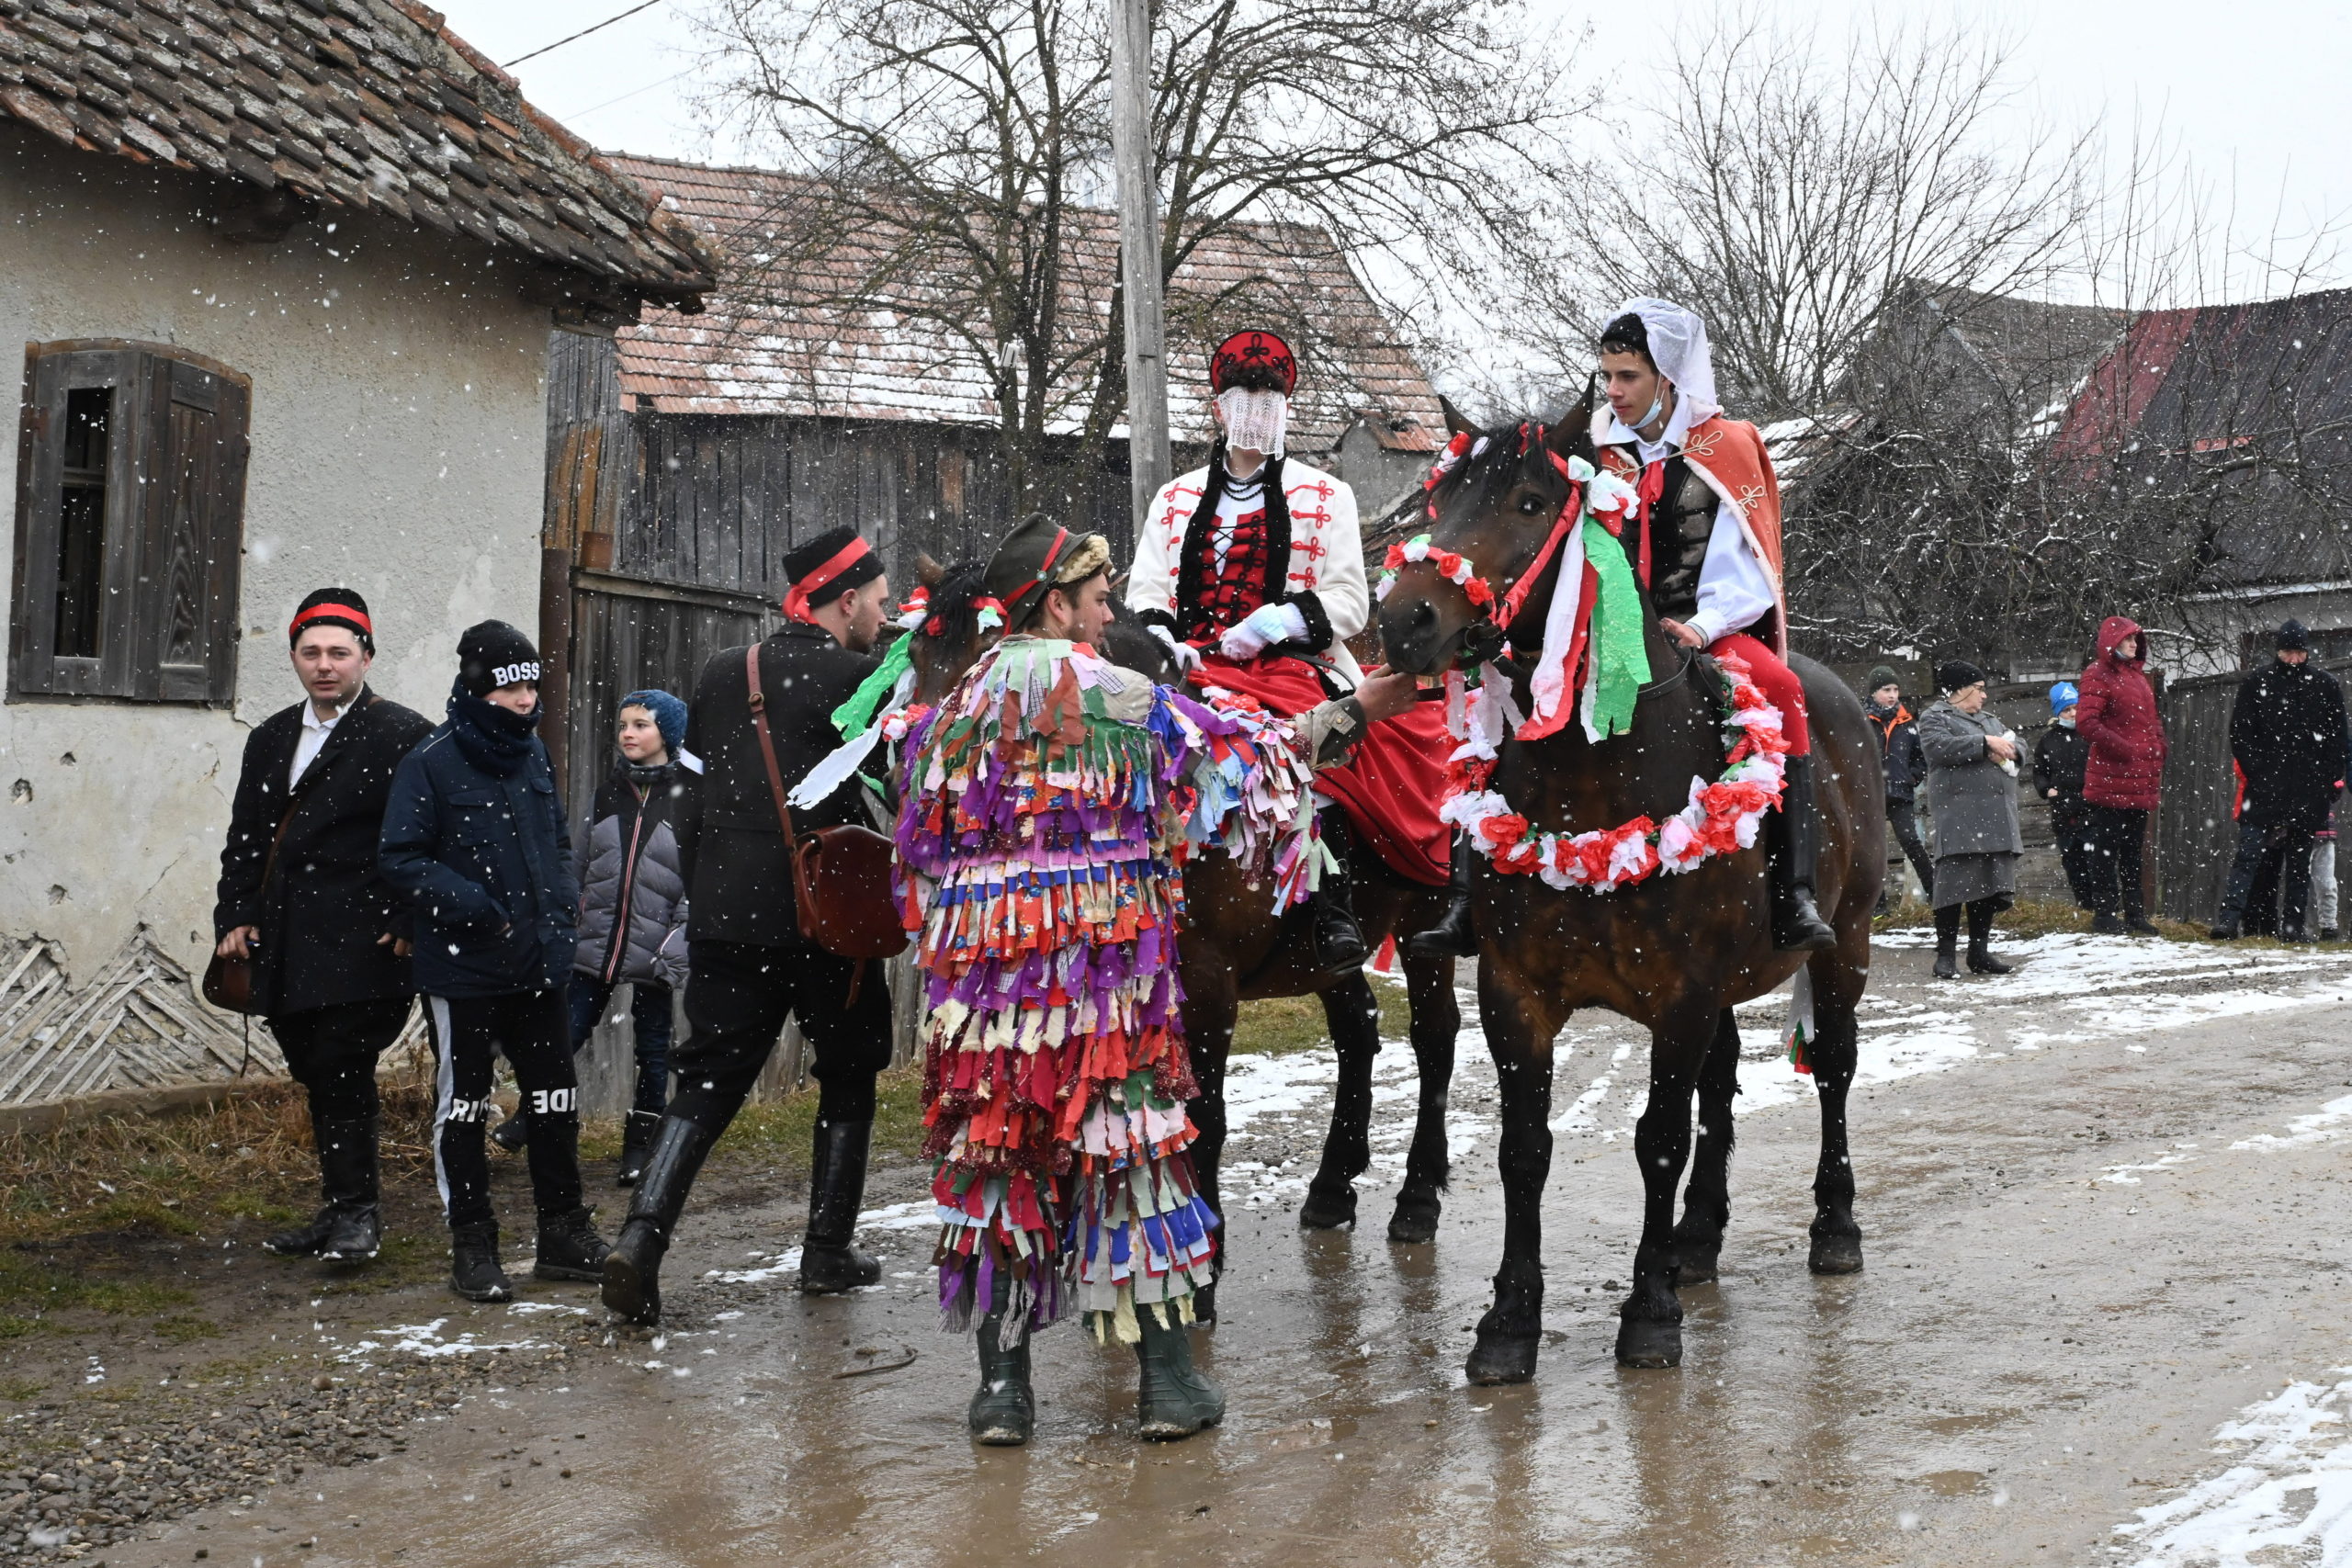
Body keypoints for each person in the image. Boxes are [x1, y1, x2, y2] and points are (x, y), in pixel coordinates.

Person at [902, 514, 1416, 1446]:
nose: (1105, 619)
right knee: (1129, 1164)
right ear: (1054, 604)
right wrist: (1362, 708)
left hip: (988, 1007)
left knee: (1000, 1171)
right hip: (1105, 992)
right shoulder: (1125, 697)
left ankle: (1004, 1396)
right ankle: (1168, 1388)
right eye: (1096, 602)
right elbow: (1251, 760)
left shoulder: (950, 712)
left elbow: (925, 842)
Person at [602, 526, 898, 1325]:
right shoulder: (862, 677)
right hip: (825, 912)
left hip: (730, 912)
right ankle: (827, 1251)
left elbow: (687, 800)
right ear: (845, 600)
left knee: (704, 1077)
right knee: (848, 1070)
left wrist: (711, 892)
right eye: (876, 599)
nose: (885, 611)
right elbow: (893, 788)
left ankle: (640, 1240)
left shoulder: (722, 671)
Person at [1126, 328, 1454, 966]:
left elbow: (1350, 602)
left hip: (1293, 664)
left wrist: (1276, 622)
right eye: (1242, 396)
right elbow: (1148, 588)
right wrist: (1166, 637)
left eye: (1268, 397)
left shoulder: (1326, 494)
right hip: (1195, 662)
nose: (1255, 411)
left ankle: (1331, 904)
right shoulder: (1176, 498)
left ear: (1286, 406)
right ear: (1218, 406)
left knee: (1318, 743)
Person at [1587, 300, 1835, 951]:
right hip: (1605, 631)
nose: (1613, 390)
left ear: (1668, 377)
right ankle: (1470, 889)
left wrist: (1700, 626)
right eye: (1607, 375)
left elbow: (1745, 566)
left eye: (1628, 376)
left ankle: (1794, 889)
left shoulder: (1725, 446)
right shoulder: (1593, 451)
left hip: (1706, 626)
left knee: (1781, 688)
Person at [378, 622, 607, 1302]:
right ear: (479, 689)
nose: (524, 698)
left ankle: (564, 1231)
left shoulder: (534, 755)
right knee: (466, 1108)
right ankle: (472, 1246)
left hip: (540, 963)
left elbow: (557, 840)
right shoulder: (431, 760)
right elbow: (400, 856)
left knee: (555, 1100)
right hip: (463, 969)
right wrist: (472, 905)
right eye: (512, 686)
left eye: (532, 685)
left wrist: (563, 900)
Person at [214, 590, 433, 1264]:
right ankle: (339, 1207)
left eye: (340, 652)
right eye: (311, 652)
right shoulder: (271, 737)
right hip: (284, 940)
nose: (325, 665)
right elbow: (247, 837)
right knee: (314, 1068)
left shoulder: (404, 735)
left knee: (342, 1066)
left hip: (364, 941)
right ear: (293, 658)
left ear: (366, 656)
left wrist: (407, 914)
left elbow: (429, 835)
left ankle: (358, 1217)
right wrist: (236, 912)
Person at [493, 690, 692, 1185]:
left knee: (651, 1051)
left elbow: (699, 884)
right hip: (594, 943)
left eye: (641, 724)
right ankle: (531, 1118)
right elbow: (577, 863)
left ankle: (640, 1148)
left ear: (667, 734)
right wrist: (566, 922)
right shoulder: (609, 793)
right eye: (623, 724)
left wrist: (676, 946)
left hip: (655, 951)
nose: (628, 733)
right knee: (564, 1034)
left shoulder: (691, 799)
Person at [2211, 620, 2349, 942]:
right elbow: (2240, 734)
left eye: (2299, 653)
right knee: (2248, 857)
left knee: (2300, 864)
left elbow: (2337, 737)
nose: (2293, 660)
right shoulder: (2257, 683)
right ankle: (2229, 921)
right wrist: (2259, 773)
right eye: (2288, 652)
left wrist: (2328, 779)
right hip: (2265, 788)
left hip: (2306, 789)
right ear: (2278, 651)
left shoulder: (2324, 686)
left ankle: (2292, 928)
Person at [1918, 662, 2023, 978]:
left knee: (1988, 886)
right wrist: (1984, 744)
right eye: (1978, 688)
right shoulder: (1935, 716)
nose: (1984, 695)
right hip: (1959, 816)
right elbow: (1938, 748)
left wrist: (2011, 750)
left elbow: (2019, 744)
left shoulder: (1990, 720)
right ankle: (1946, 956)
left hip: (1996, 817)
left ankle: (1979, 953)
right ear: (1960, 689)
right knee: (1951, 886)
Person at [2075, 615, 2165, 936]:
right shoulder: (2097, 674)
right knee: (2106, 847)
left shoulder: (2139, 679)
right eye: (2128, 639)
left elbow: (2151, 722)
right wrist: (2123, 749)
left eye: (2136, 640)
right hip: (2111, 777)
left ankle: (2135, 913)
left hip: (2140, 778)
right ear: (2112, 642)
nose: (2134, 644)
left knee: (2132, 849)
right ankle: (2104, 912)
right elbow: (2086, 722)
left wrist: (2158, 747)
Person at [1864, 665, 1932, 908]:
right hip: (1870, 796)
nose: (1892, 695)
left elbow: (1919, 757)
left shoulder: (1907, 722)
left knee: (1912, 843)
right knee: (1874, 850)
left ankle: (1937, 896)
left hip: (1901, 793)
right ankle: (1878, 907)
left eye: (1895, 689)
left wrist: (1912, 777)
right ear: (1873, 693)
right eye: (1886, 690)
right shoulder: (1863, 721)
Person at [2032, 681, 2099, 911]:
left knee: (2097, 864)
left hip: (2092, 811)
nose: (2072, 714)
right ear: (2057, 712)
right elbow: (2039, 771)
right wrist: (2047, 790)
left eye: (2076, 708)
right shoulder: (2048, 740)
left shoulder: (2091, 736)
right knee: (2073, 864)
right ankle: (2084, 907)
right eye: (2067, 710)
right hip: (2063, 813)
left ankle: (2104, 910)